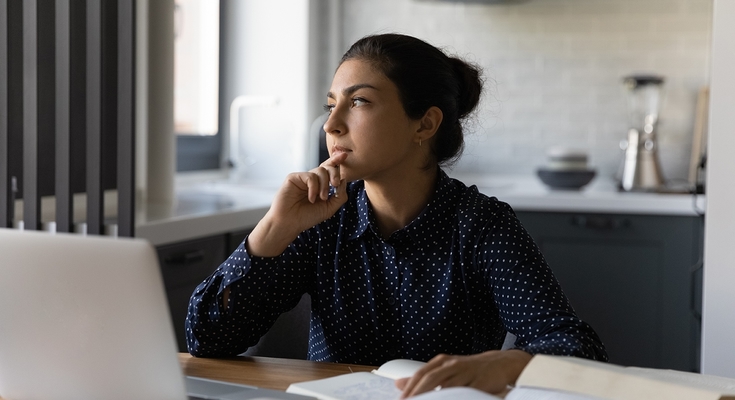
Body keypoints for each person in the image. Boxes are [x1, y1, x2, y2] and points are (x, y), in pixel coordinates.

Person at [186, 33, 608, 397]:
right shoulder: (319, 222)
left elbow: (577, 347)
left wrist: (503, 364)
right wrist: (273, 229)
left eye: (360, 101)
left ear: (424, 125)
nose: (331, 124)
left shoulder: (482, 226)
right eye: (332, 104)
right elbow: (206, 340)